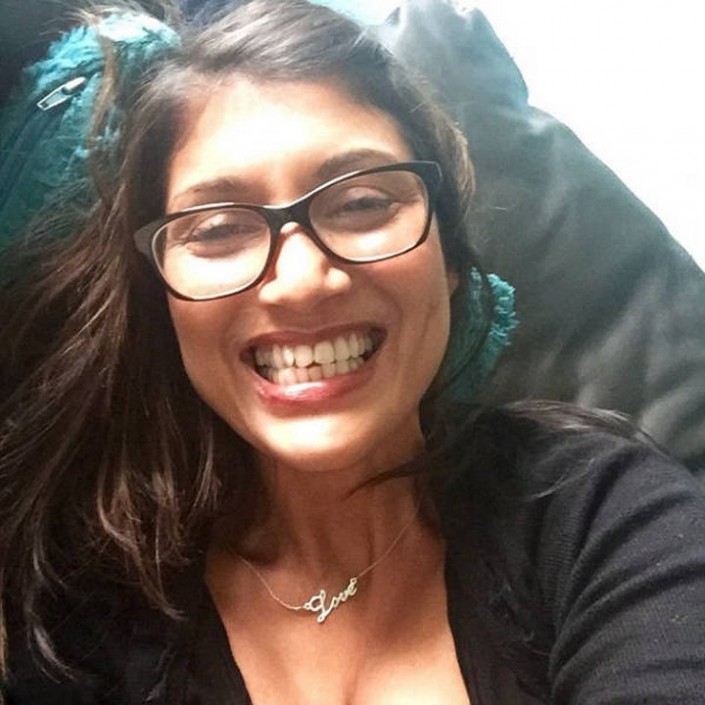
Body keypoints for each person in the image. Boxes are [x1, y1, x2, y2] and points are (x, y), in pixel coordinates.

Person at [1, 1, 705, 703]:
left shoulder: (601, 517)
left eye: (363, 204)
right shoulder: (84, 616)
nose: (302, 281)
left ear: (450, 260)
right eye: (217, 229)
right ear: (162, 295)